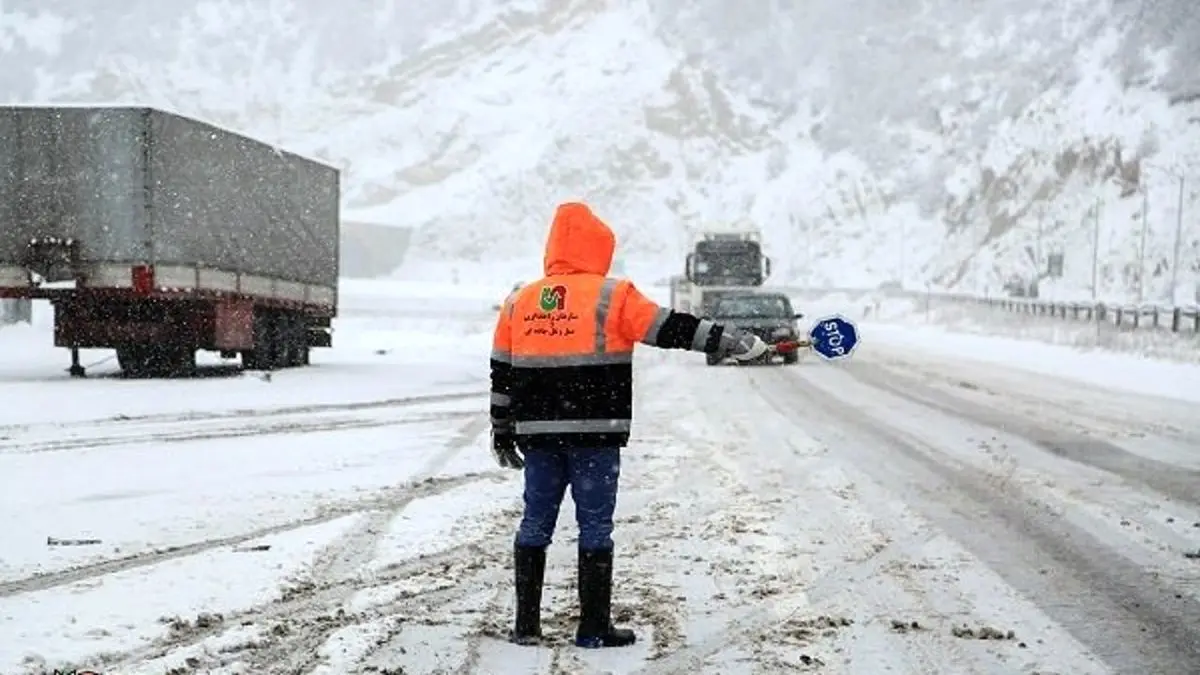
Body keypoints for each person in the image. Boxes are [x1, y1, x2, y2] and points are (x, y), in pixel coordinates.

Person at [488, 201, 768, 649]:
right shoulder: (613, 295)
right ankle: (593, 628)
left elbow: (501, 370)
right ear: (597, 247)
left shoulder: (519, 301)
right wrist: (730, 341)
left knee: (535, 522)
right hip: (595, 434)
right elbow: (672, 328)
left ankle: (526, 626)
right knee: (595, 526)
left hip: (537, 436)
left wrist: (502, 428)